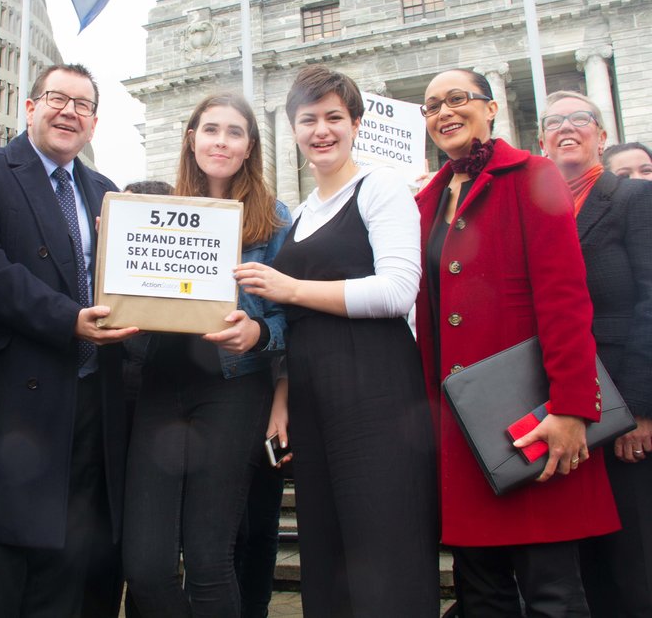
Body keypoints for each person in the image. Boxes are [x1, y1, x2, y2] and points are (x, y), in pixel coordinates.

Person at [235, 65, 438, 617]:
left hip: (376, 387)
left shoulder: (381, 187)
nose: (321, 130)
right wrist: (282, 397)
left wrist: (291, 286)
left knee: (384, 542)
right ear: (294, 129)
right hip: (313, 390)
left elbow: (398, 290)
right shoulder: (297, 215)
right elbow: (288, 319)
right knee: (328, 550)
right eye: (308, 120)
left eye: (333, 118)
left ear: (355, 124)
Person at [414, 69, 620, 615]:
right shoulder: (427, 199)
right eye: (432, 106)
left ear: (490, 108)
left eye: (457, 99)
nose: (443, 113)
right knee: (481, 595)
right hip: (461, 427)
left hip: (534, 417)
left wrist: (573, 406)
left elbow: (565, 297)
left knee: (551, 590)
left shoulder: (535, 174)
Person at [0, 63, 138, 618]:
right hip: (12, 405)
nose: (68, 111)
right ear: (29, 108)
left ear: (94, 125)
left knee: (66, 569)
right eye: (57, 98)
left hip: (87, 406)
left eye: (82, 105)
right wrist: (68, 318)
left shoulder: (105, 193)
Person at [122, 92, 290, 618]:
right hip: (159, 386)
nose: (221, 141)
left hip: (233, 388)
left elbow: (293, 316)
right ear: (191, 139)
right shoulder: (150, 214)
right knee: (145, 567)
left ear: (249, 147)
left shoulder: (275, 219)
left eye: (234, 132)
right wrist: (116, 260)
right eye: (210, 129)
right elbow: (121, 306)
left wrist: (259, 334)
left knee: (209, 558)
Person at [540, 91, 652, 617]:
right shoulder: (538, 210)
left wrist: (640, 410)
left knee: (633, 557)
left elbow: (649, 305)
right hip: (563, 406)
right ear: (541, 141)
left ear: (601, 138)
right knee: (583, 558)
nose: (567, 127)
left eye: (580, 119)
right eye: (554, 122)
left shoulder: (632, 200)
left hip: (622, 405)